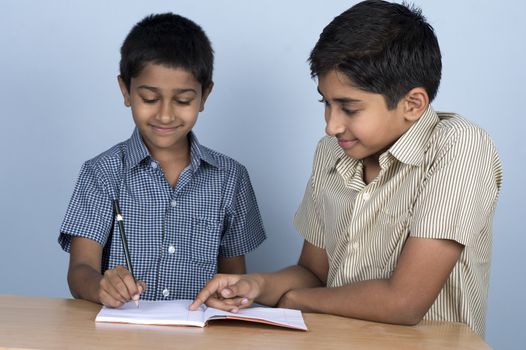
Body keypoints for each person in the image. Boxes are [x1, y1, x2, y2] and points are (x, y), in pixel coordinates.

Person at [190, 0, 502, 337]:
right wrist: (255, 284)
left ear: (412, 104)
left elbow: (405, 302)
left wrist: (299, 301)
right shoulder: (331, 153)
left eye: (349, 108)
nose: (331, 126)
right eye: (326, 102)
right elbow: (313, 272)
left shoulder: (459, 146)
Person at [59, 13, 266, 308]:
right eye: (149, 98)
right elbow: (80, 272)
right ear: (125, 90)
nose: (165, 115)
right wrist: (100, 286)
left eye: (182, 101)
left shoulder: (230, 178)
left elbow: (233, 276)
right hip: (120, 336)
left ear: (204, 95)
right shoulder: (101, 173)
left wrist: (230, 297)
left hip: (198, 335)